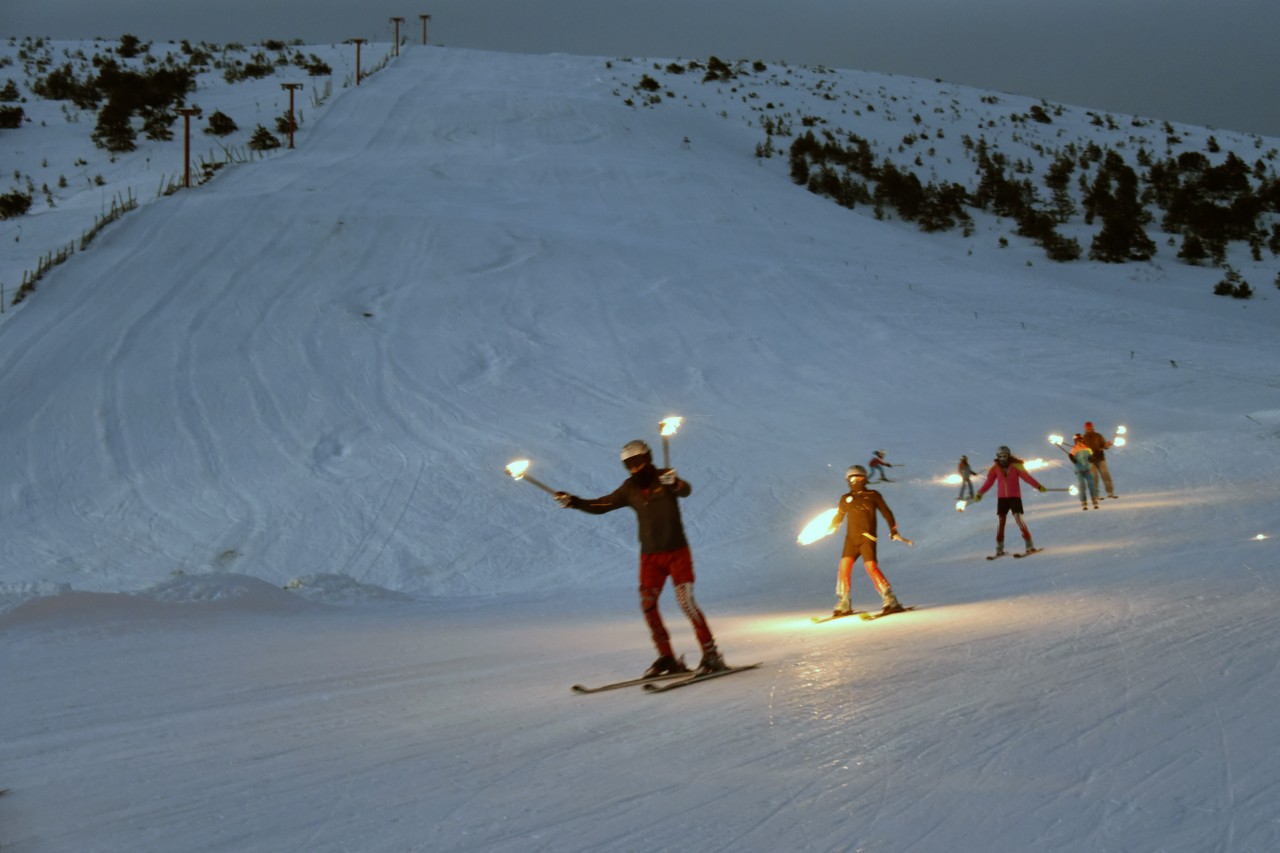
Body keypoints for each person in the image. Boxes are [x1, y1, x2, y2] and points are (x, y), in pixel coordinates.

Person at [554, 440, 726, 677]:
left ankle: (711, 655)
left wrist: (674, 483)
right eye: (629, 464)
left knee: (686, 603)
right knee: (648, 605)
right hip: (650, 558)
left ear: (648, 457)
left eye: (638, 461)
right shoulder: (630, 489)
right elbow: (603, 504)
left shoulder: (664, 477)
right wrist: (574, 502)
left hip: (677, 553)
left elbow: (685, 490)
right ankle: (667, 657)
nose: (634, 467)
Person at [825, 465, 908, 617]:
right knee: (844, 567)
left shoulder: (873, 495)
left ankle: (890, 599)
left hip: (867, 538)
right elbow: (840, 515)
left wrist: (893, 530)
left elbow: (886, 513)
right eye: (853, 478)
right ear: (848, 480)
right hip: (851, 539)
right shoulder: (846, 498)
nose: (856, 480)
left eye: (860, 477)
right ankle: (844, 602)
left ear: (865, 479)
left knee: (870, 567)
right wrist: (833, 525)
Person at [972, 445, 1046, 556]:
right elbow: (989, 482)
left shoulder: (1016, 466)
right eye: (999, 456)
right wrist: (980, 493)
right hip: (1002, 498)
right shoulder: (995, 468)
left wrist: (1038, 486)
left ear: (1008, 455)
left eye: (1004, 456)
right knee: (1001, 522)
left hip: (1014, 497)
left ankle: (1029, 545)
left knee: (1018, 519)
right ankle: (999, 548)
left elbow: (1027, 478)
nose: (1002, 459)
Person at [1080, 421, 1116, 498]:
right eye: (1088, 428)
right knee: (1094, 478)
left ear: (1093, 428)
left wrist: (1107, 445)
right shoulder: (1083, 438)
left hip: (1100, 459)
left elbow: (1104, 446)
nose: (1089, 429)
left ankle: (1110, 493)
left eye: (1090, 428)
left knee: (1105, 475)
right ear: (1085, 429)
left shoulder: (1098, 436)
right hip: (1090, 461)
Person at [1068, 434, 1100, 510]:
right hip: (1079, 470)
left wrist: (1092, 458)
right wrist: (1072, 459)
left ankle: (1094, 499)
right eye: (1077, 440)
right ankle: (1084, 501)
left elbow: (1091, 456)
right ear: (1075, 441)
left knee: (1091, 483)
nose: (1079, 442)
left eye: (1080, 440)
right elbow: (1071, 456)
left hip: (1087, 469)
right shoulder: (1074, 449)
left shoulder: (1087, 448)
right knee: (1082, 485)